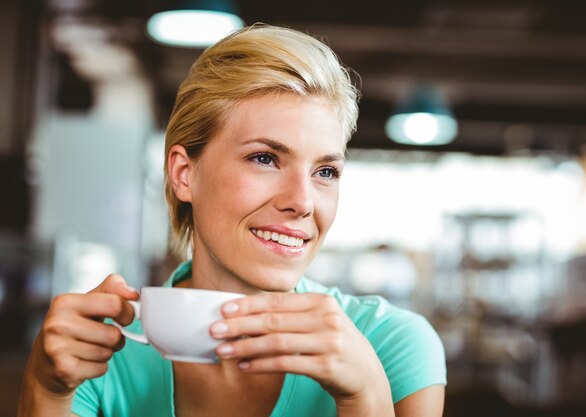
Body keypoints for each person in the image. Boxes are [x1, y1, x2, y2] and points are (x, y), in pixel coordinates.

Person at [18, 23, 446, 417]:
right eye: (265, 158)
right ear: (185, 175)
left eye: (325, 172)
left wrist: (365, 395)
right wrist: (47, 391)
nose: (302, 202)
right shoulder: (100, 354)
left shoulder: (394, 346)